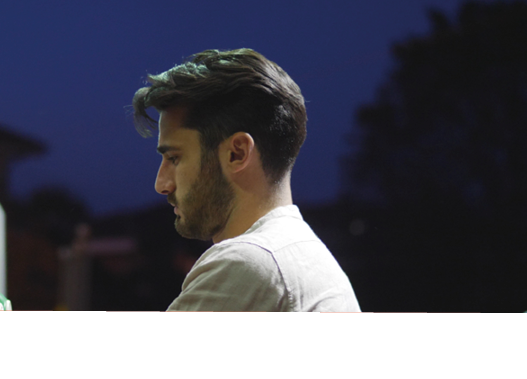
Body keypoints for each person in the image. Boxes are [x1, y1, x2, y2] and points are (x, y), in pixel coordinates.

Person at [132, 48, 360, 312]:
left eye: (174, 158)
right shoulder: (310, 256)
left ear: (236, 153)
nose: (161, 184)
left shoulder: (247, 262)